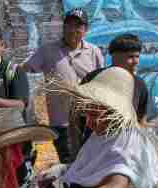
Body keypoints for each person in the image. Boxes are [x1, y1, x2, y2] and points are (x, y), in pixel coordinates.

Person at [22, 9, 104, 163]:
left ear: (85, 30)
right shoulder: (47, 50)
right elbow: (26, 69)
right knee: (69, 163)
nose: (73, 30)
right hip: (61, 121)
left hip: (89, 121)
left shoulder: (94, 52)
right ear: (63, 27)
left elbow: (101, 84)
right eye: (69, 25)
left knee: (90, 163)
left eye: (78, 26)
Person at [75, 34, 151, 150]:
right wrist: (77, 149)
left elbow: (141, 121)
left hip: (124, 151)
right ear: (115, 56)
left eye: (137, 56)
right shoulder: (94, 79)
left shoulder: (139, 85)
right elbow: (77, 116)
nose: (136, 61)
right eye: (130, 57)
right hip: (93, 149)